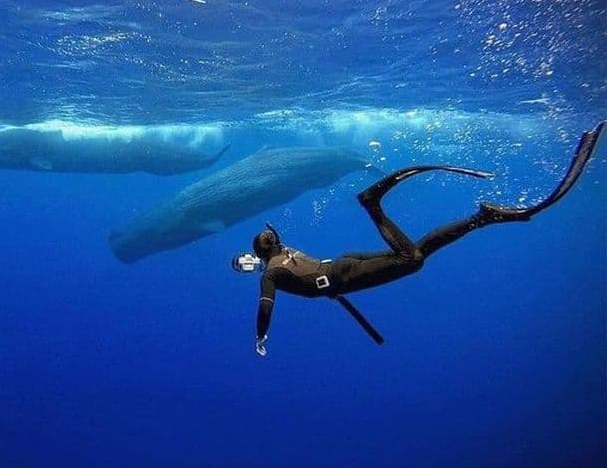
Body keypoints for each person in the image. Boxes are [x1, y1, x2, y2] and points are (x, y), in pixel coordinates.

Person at [232, 122, 604, 357]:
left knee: (412, 260)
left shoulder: (271, 273)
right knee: (417, 252)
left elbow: (265, 308)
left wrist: (261, 338)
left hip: (344, 276)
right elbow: (287, 265)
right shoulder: (282, 251)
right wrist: (261, 262)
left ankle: (373, 204)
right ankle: (483, 218)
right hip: (343, 264)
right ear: (273, 242)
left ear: (260, 257)